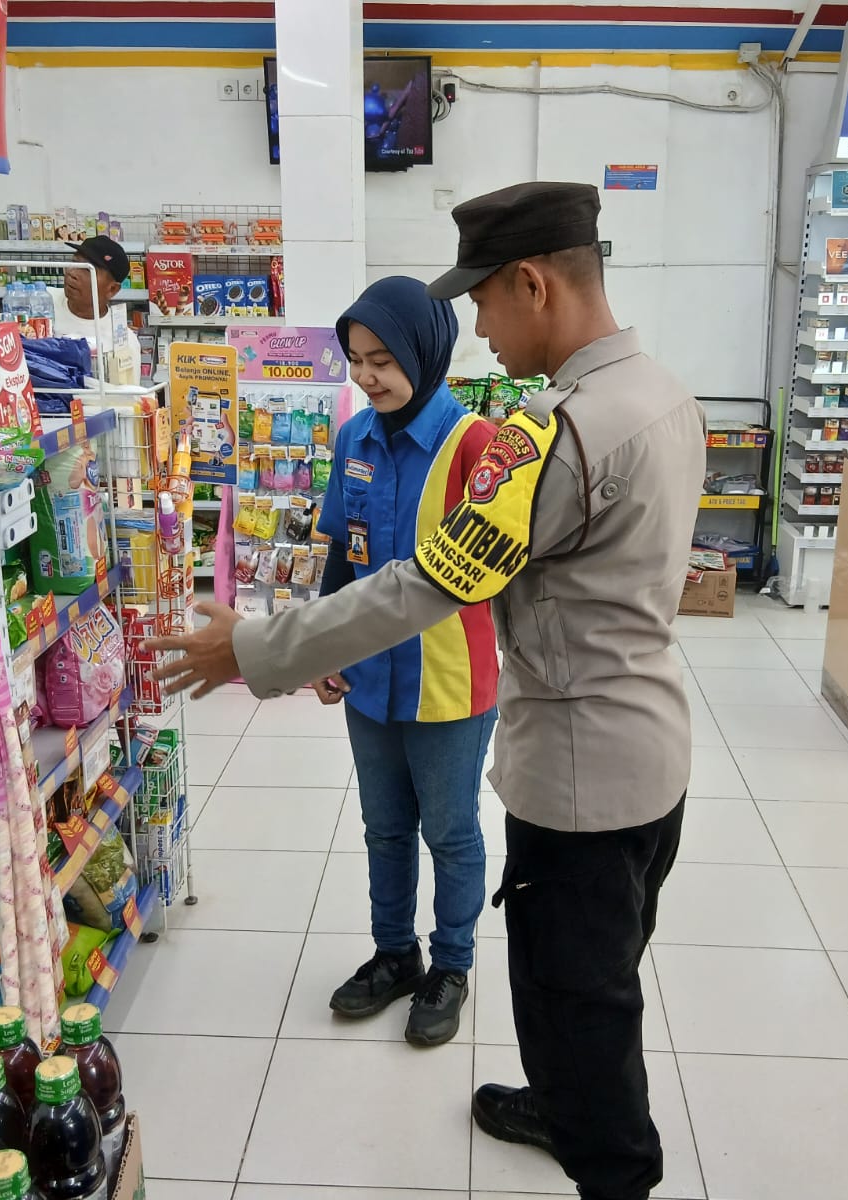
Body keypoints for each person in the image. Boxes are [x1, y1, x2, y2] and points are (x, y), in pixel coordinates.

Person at [147, 181, 706, 1200]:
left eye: (482, 300)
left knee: (578, 998)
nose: (479, 328)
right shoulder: (664, 393)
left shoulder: (555, 434)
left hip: (579, 777)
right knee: (602, 970)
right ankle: (565, 1106)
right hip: (651, 749)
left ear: (532, 284)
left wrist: (257, 650)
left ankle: (611, 1163)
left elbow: (427, 584)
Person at [313, 275, 500, 1047]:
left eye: (383, 360)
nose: (367, 376)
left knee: (450, 831)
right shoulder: (354, 438)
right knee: (384, 828)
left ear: (424, 353)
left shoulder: (475, 447)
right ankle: (395, 954)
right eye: (356, 360)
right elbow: (341, 552)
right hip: (369, 677)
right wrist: (323, 643)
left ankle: (451, 964)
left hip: (449, 679)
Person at [51, 235, 141, 385]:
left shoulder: (123, 342)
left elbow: (127, 397)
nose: (72, 273)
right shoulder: (41, 302)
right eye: (74, 263)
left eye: (87, 270)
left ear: (112, 289)